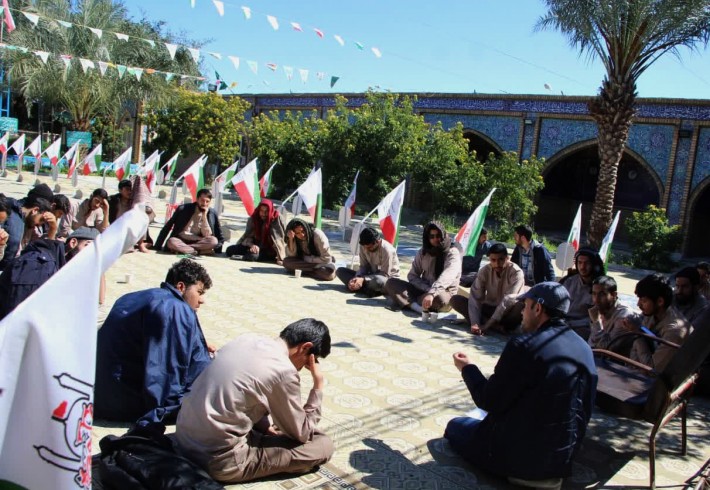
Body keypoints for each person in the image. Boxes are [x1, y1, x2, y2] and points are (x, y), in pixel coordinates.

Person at [445, 282, 597, 485]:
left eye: (525, 306)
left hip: (521, 461)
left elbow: (488, 400)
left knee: (455, 426)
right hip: (563, 458)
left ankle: (518, 473)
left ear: (537, 308)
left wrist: (467, 368)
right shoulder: (583, 347)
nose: (522, 313)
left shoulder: (524, 345)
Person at [174, 318, 335, 484]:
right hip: (217, 460)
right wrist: (318, 384)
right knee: (322, 444)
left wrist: (265, 426)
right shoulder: (283, 370)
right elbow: (302, 434)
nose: (301, 369)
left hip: (184, 438)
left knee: (275, 423)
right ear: (305, 348)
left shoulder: (247, 339)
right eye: (308, 362)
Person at [94, 259, 214, 425]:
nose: (201, 300)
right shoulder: (172, 307)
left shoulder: (137, 297)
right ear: (180, 287)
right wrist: (169, 409)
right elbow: (164, 374)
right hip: (126, 402)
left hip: (105, 394)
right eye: (199, 292)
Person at [0, 226, 98, 320]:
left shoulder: (62, 266)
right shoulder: (40, 263)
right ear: (73, 243)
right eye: (89, 246)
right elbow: (19, 312)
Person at [384, 221, 461, 313]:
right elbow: (412, 276)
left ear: (443, 235)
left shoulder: (452, 253)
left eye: (438, 236)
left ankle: (407, 301)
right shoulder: (423, 252)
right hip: (424, 289)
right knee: (391, 283)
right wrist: (427, 289)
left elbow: (448, 276)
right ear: (427, 238)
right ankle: (417, 307)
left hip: (443, 292)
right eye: (432, 237)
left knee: (441, 299)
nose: (435, 239)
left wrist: (432, 293)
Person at [450, 243, 525, 335]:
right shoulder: (484, 271)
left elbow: (509, 300)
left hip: (507, 312)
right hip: (489, 308)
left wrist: (487, 326)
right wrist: (475, 323)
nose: (497, 264)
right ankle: (496, 327)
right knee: (455, 300)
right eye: (493, 260)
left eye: (501, 259)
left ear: (507, 258)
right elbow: (475, 296)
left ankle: (491, 325)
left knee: (520, 306)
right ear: (489, 259)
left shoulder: (516, 272)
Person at [626, 273, 689, 372]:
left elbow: (652, 370)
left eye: (643, 300)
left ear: (660, 301)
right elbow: (635, 351)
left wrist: (637, 334)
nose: (638, 304)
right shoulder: (651, 314)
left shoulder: (674, 331)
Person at [154, 188, 224, 255]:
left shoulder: (211, 213)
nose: (204, 204)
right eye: (202, 200)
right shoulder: (183, 209)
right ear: (197, 199)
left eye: (207, 201)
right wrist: (158, 245)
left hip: (199, 242)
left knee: (213, 241)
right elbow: (168, 226)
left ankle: (185, 250)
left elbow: (214, 233)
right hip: (181, 240)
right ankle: (199, 252)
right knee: (171, 241)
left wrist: (204, 216)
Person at [335, 226, 400, 297]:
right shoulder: (363, 246)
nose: (366, 250)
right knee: (340, 271)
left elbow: (385, 274)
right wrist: (357, 277)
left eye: (369, 247)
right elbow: (363, 266)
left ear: (377, 242)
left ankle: (364, 288)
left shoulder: (387, 250)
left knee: (378, 281)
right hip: (369, 277)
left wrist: (363, 279)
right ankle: (363, 288)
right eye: (365, 247)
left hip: (386, 279)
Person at [587, 275, 640, 356]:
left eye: (602, 294)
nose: (596, 300)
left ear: (614, 295)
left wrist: (596, 323)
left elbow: (604, 349)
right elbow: (591, 343)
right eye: (594, 294)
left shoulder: (623, 316)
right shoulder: (601, 309)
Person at [0, 194, 57, 269]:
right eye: (41, 220)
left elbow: (44, 249)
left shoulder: (30, 227)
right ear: (35, 210)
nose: (39, 225)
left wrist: (53, 228)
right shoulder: (13, 220)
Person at [559, 247, 604, 338]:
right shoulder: (569, 281)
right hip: (562, 323)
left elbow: (597, 318)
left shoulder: (600, 287)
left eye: (587, 263)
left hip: (583, 329)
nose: (582, 267)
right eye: (580, 263)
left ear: (594, 265)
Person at [225, 199, 286, 263]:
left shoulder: (276, 219)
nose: (264, 214)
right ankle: (246, 255)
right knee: (229, 250)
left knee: (252, 256)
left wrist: (280, 257)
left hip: (269, 251)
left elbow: (279, 240)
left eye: (266, 211)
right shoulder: (254, 218)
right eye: (262, 211)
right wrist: (252, 245)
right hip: (254, 245)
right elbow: (248, 235)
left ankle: (245, 256)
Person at [108, 178, 154, 252]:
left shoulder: (134, 202)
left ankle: (141, 243)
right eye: (127, 189)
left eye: (131, 189)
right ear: (120, 190)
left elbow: (148, 209)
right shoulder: (113, 201)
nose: (130, 192)